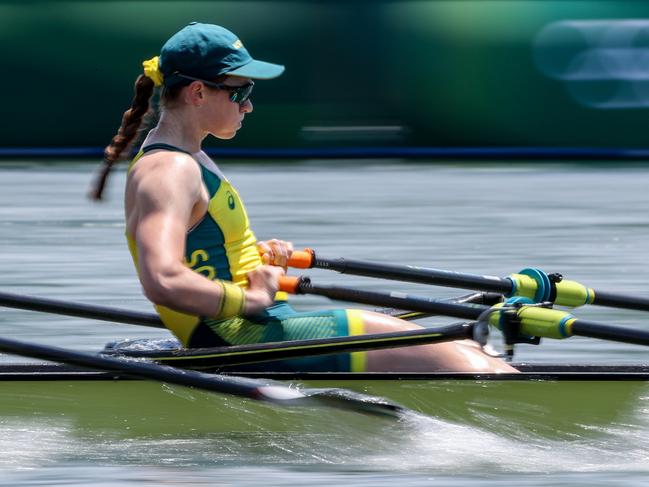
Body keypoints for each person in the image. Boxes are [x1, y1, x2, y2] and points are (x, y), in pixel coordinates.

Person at [91, 22, 515, 373]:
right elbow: (162, 278)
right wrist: (252, 296)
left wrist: (252, 257)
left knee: (478, 355)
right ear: (198, 93)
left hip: (263, 324)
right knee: (482, 367)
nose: (248, 106)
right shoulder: (169, 170)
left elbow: (198, 253)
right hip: (243, 335)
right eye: (240, 92)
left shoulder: (186, 158)